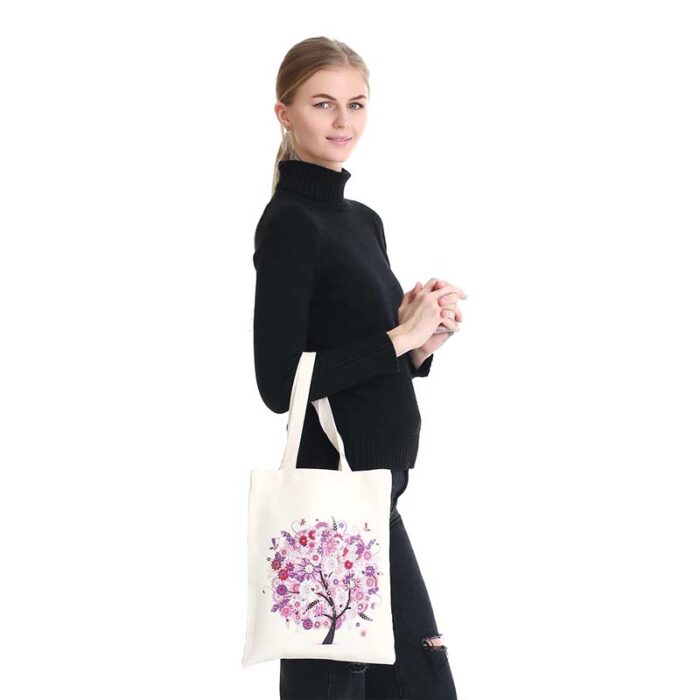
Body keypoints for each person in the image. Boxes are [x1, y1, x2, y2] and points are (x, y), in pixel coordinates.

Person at [253, 36, 466, 700]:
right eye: (323, 104)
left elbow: (364, 356)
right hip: (331, 502)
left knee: (399, 683)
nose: (343, 121)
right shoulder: (290, 224)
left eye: (356, 104)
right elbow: (279, 383)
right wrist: (399, 337)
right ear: (285, 113)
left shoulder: (362, 220)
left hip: (376, 496)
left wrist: (422, 344)